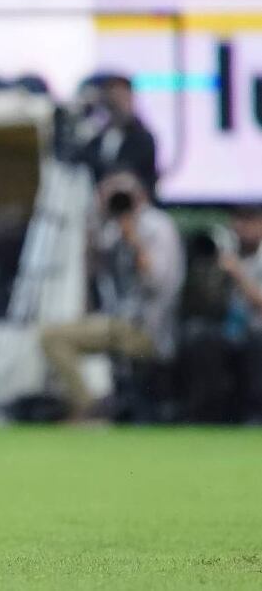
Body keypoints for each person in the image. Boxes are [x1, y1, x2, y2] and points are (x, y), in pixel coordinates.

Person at [40, 170, 184, 421]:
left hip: (148, 327)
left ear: (140, 196)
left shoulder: (157, 227)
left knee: (53, 336)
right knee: (51, 336)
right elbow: (94, 274)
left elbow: (159, 283)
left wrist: (134, 240)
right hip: (116, 321)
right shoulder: (110, 229)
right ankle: (89, 403)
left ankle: (90, 410)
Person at [177, 205, 262, 423]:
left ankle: (254, 414)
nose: (243, 227)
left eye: (249, 220)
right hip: (228, 330)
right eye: (239, 220)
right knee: (201, 339)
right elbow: (204, 304)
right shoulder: (225, 251)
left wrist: (238, 274)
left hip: (256, 331)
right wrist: (214, 272)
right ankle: (207, 413)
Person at [73, 75, 159, 201]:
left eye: (123, 98)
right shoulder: (95, 135)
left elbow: (134, 173)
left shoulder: (142, 138)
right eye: (114, 99)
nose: (119, 104)